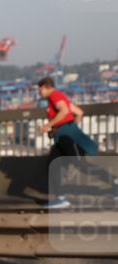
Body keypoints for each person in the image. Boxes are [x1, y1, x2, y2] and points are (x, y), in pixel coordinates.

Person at [36, 77, 113, 208]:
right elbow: (79, 113)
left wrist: (51, 125)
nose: (39, 92)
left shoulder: (55, 95)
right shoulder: (57, 97)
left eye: (40, 89)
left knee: (81, 165)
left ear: (46, 87)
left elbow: (64, 111)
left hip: (67, 138)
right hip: (62, 138)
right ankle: (60, 199)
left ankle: (114, 182)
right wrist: (69, 127)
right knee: (52, 165)